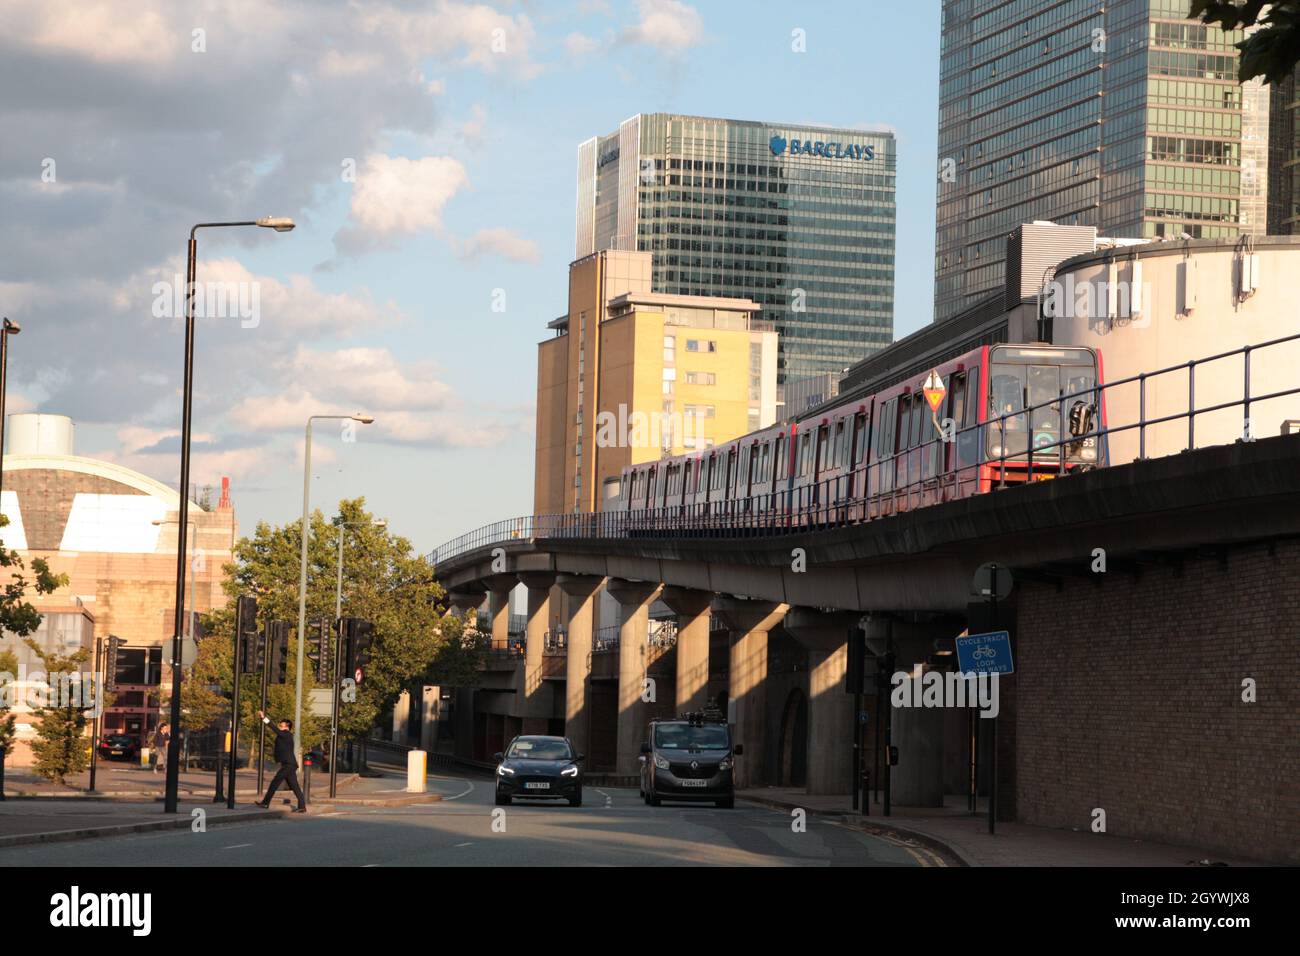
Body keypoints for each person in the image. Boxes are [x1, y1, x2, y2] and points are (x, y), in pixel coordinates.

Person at [255, 710, 307, 812]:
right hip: (289, 764)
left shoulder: (286, 734)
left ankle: (265, 803)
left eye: (281, 724)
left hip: (288, 765)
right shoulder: (283, 735)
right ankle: (302, 807)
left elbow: (274, 728)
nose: (279, 725)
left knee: (275, 782)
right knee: (294, 786)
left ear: (287, 727)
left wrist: (263, 718)